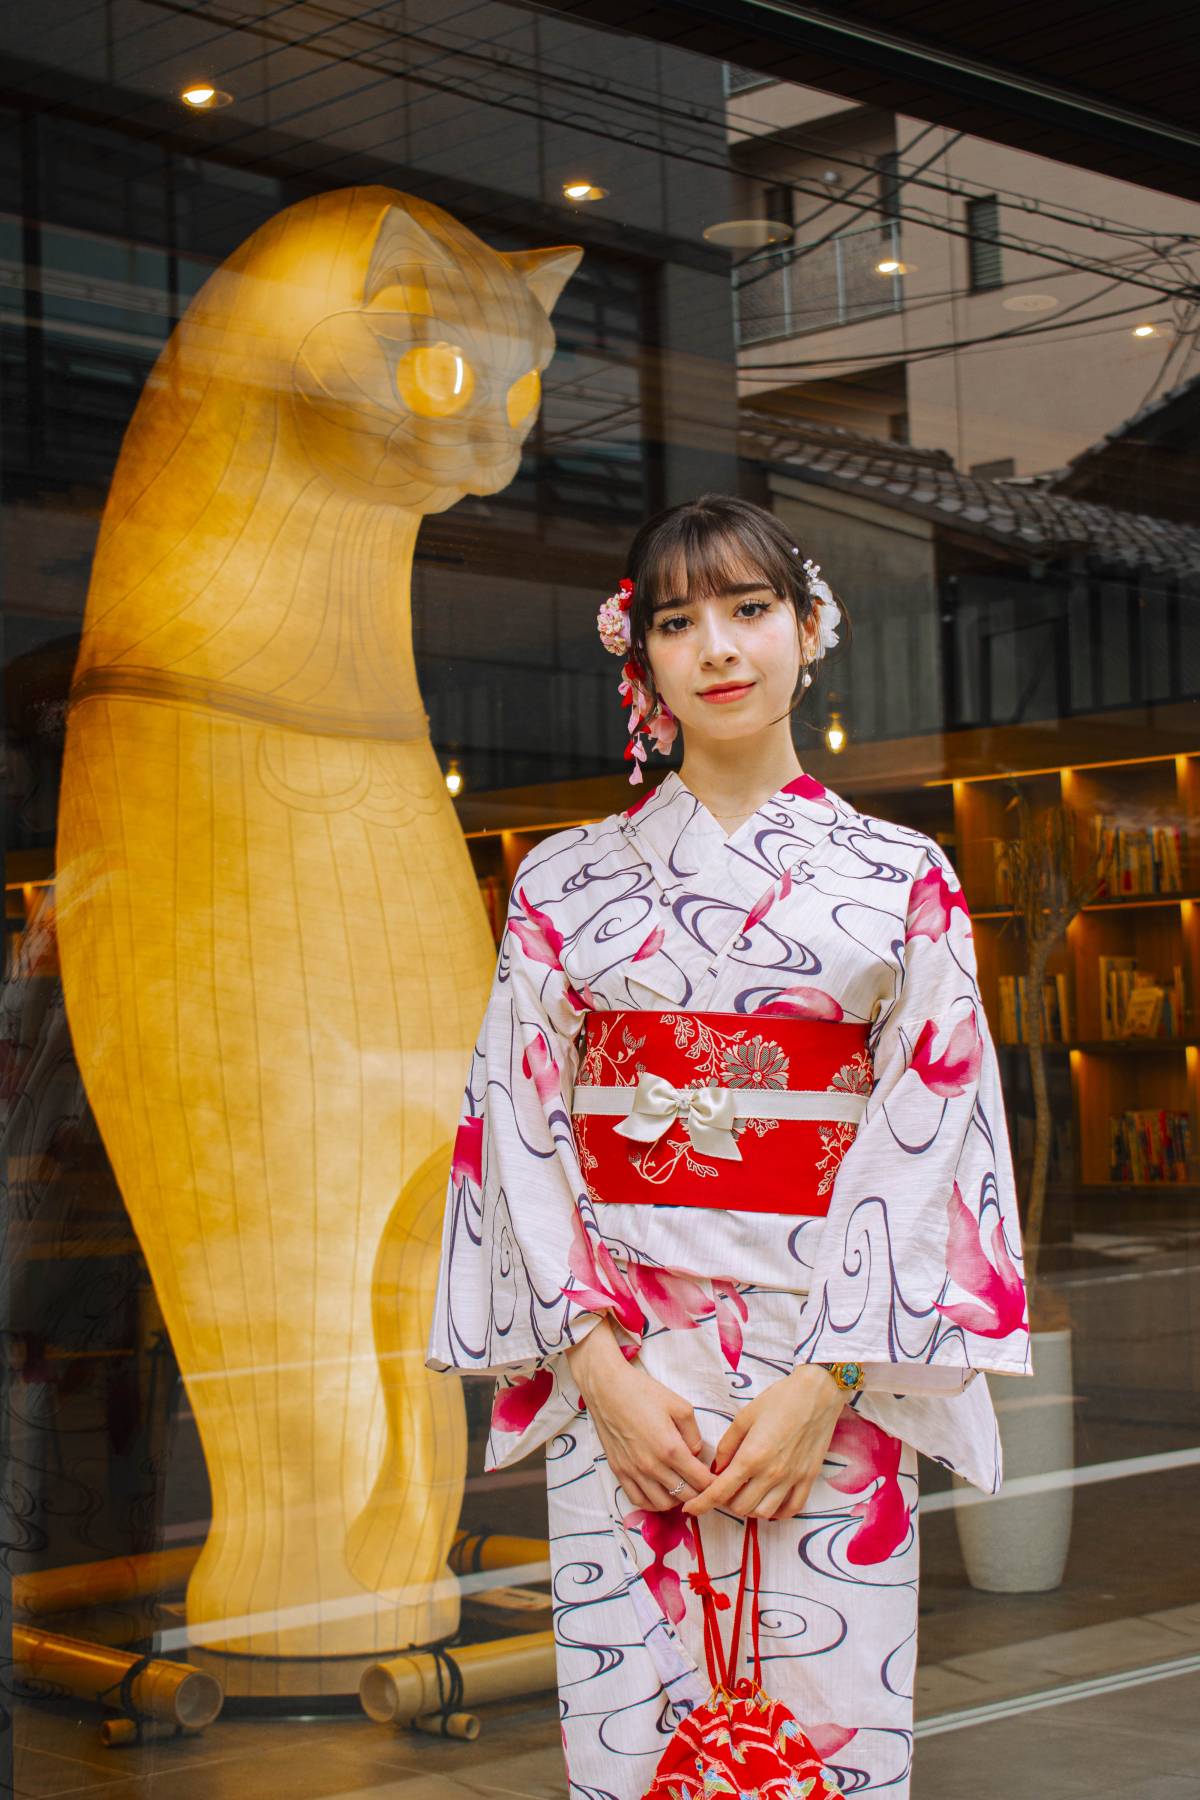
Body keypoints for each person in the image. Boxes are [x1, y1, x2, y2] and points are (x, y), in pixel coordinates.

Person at [427, 493, 1030, 1798]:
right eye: (677, 619)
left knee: (832, 1726)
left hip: (828, 1368)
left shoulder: (899, 874)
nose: (718, 647)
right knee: (634, 1729)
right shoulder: (562, 882)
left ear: (812, 629)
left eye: (751, 610)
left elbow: (933, 1130)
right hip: (627, 1372)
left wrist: (830, 1383)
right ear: (637, 654)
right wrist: (597, 1369)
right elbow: (520, 1132)